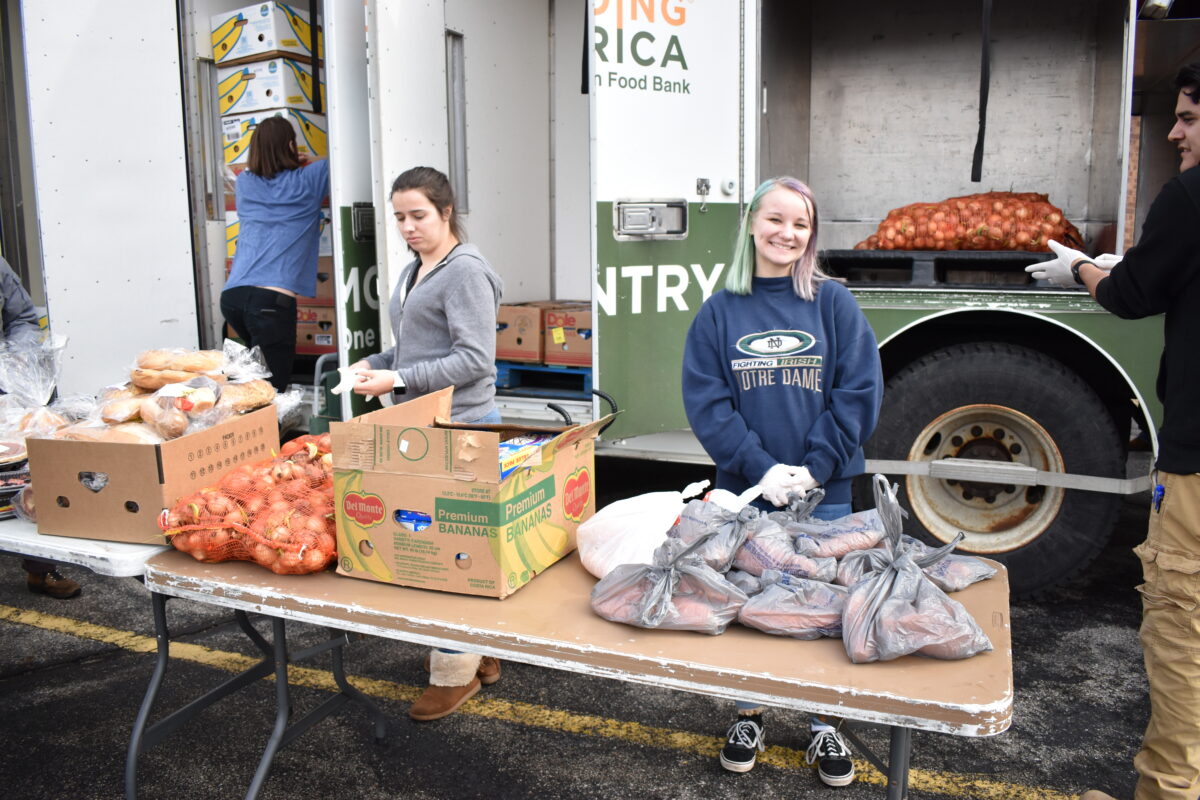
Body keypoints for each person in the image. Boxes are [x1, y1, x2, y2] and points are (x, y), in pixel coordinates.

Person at [1026, 63, 1200, 800]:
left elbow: (1132, 296)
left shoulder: (1191, 195)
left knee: (1184, 636)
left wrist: (1085, 269)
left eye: (1189, 116)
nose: (1173, 131)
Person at [681, 177, 883, 786]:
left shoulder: (832, 303)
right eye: (776, 220)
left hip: (828, 493)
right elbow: (708, 401)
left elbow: (858, 393)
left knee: (826, 607)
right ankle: (749, 712)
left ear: (811, 235)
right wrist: (760, 466)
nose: (787, 233)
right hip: (749, 492)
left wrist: (816, 466)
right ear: (751, 223)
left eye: (801, 224)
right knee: (752, 602)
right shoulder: (720, 311)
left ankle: (827, 723)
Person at [346, 166, 504, 721]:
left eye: (418, 216)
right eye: (399, 218)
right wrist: (377, 363)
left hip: (462, 429)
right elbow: (415, 347)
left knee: (450, 553)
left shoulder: (465, 273)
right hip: (423, 428)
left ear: (446, 212)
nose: (408, 227)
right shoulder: (418, 268)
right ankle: (476, 652)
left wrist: (398, 380)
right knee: (442, 546)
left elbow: (475, 360)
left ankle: (454, 672)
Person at [221, 116, 330, 392]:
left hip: (233, 298)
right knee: (273, 391)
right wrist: (302, 160)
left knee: (253, 384)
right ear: (291, 145)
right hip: (270, 302)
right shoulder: (309, 179)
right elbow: (342, 156)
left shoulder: (245, 181)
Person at [0, 256, 81, 599]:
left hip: (6, 389)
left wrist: (17, 360)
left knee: (28, 476)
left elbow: (22, 318)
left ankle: (41, 570)